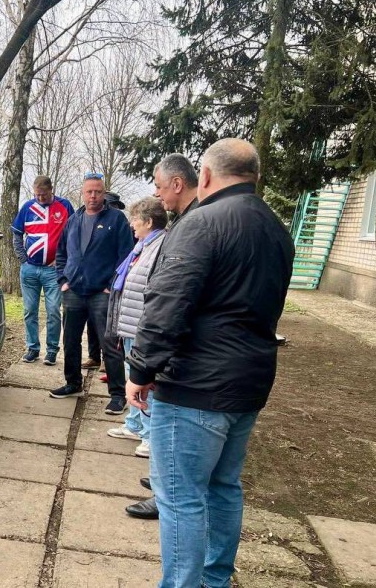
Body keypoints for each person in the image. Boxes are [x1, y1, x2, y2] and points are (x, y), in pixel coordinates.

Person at [126, 139, 294, 588]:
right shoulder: (276, 227)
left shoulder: (201, 222)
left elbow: (166, 304)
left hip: (197, 385)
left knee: (180, 498)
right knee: (223, 487)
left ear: (203, 176)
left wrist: (140, 370)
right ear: (254, 176)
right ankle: (214, 580)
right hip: (249, 383)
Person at [124, 152, 199, 521]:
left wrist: (142, 370)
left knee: (175, 443)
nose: (159, 195)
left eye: (159, 187)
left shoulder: (192, 229)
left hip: (191, 365)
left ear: (177, 184)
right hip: (223, 366)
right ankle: (162, 486)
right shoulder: (258, 223)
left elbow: (167, 303)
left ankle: (164, 497)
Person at [50, 172, 134, 414]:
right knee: (70, 340)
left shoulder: (116, 219)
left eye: (98, 191)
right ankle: (72, 383)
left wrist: (111, 286)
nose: (93, 195)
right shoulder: (73, 220)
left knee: (110, 344)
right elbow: (62, 252)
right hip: (74, 290)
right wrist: (63, 279)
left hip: (102, 292)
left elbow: (125, 257)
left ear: (104, 192)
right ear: (83, 192)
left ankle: (117, 395)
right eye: (89, 191)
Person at [104, 196, 168, 458]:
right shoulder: (143, 245)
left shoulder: (159, 246)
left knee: (143, 381)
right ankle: (134, 425)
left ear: (149, 222)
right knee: (133, 376)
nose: (132, 224)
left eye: (136, 220)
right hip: (130, 324)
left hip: (141, 326)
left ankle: (150, 435)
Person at [12, 175, 74, 365]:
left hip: (52, 271)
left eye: (43, 195)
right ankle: (32, 348)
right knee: (30, 310)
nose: (40, 198)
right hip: (29, 269)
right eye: (37, 195)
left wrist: (61, 260)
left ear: (51, 190)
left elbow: (73, 235)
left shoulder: (64, 206)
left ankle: (52, 350)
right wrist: (23, 258)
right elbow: (17, 233)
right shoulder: (27, 207)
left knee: (53, 310)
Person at [84, 191, 127, 371]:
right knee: (92, 322)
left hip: (112, 282)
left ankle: (106, 359)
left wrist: (113, 283)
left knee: (108, 324)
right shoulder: (93, 223)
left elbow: (124, 254)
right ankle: (94, 356)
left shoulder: (120, 222)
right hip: (92, 282)